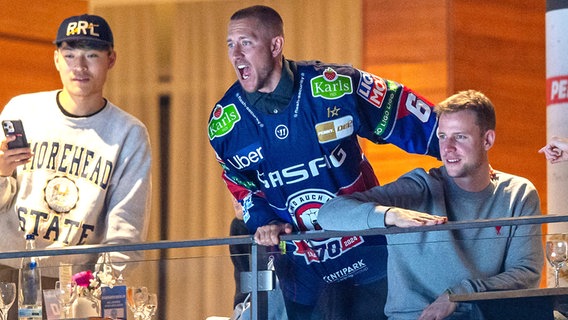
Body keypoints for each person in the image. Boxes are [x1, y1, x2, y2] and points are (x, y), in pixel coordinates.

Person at [208, 5, 440, 319]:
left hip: (369, 257)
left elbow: (411, 118)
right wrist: (264, 220)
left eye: (246, 43)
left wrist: (469, 149)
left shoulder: (335, 85)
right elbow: (241, 186)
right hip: (302, 274)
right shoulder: (226, 123)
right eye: (230, 44)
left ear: (276, 45)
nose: (236, 54)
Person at [318, 89, 544, 319]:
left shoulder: (519, 193)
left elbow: (526, 273)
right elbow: (328, 214)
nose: (447, 148)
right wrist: (389, 216)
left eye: (460, 136)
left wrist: (459, 295)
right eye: (442, 136)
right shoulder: (419, 187)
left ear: (487, 140)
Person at [0, 13, 152, 317]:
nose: (79, 67)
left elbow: (126, 230)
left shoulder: (129, 133)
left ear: (111, 59)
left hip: (74, 285)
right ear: (57, 59)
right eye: (70, 55)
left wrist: (100, 298)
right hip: (6, 272)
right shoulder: (22, 109)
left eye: (91, 55)